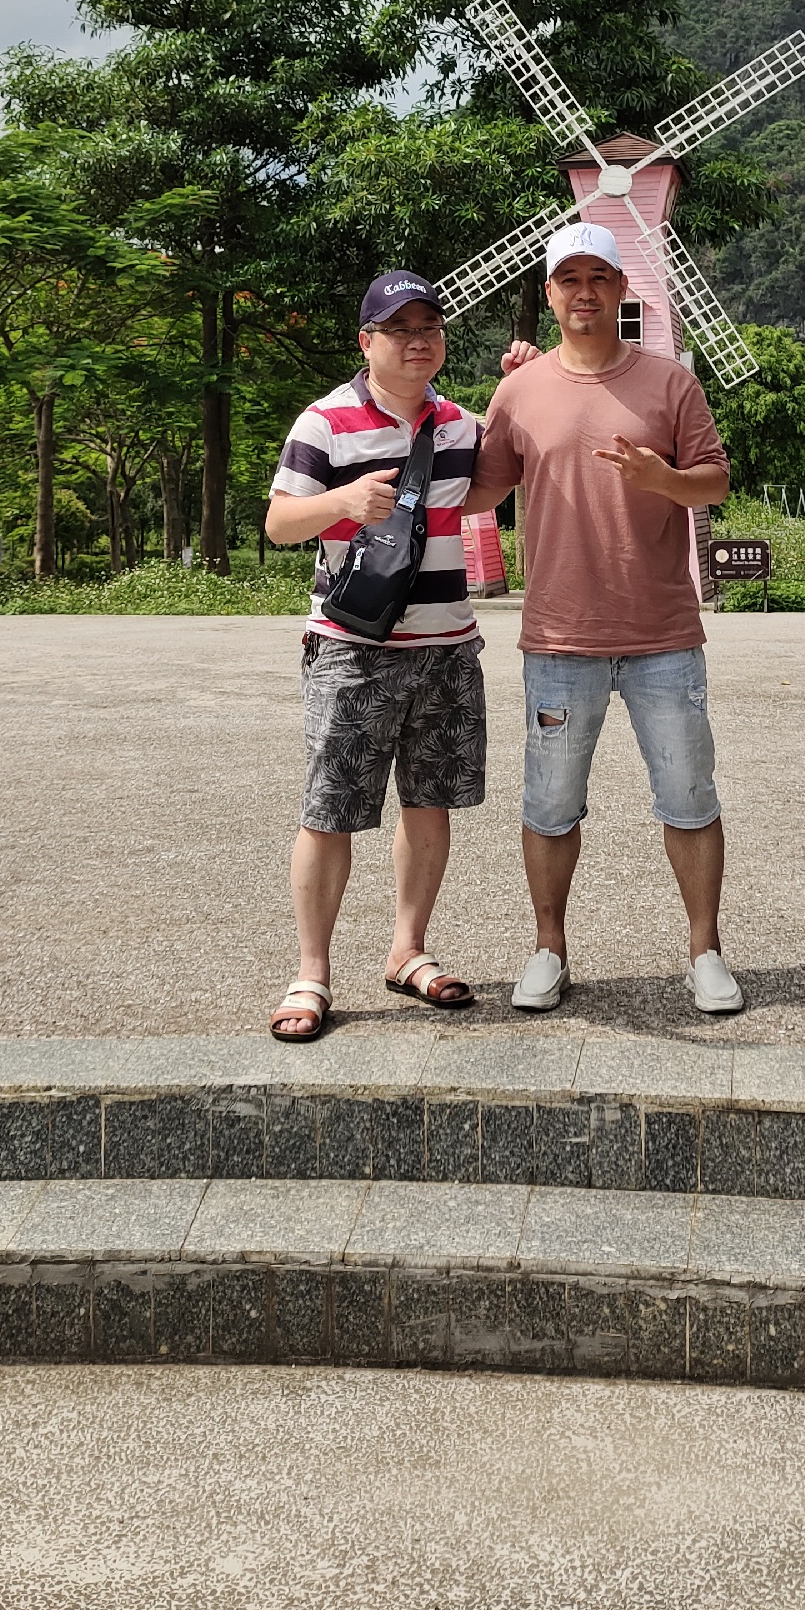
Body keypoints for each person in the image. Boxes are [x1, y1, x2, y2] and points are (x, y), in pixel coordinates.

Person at [465, 221, 744, 1015]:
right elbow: (485, 488)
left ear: (623, 289)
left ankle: (706, 952)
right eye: (568, 279)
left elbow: (714, 482)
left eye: (599, 278)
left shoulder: (670, 384)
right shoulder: (518, 391)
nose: (583, 291)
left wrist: (664, 479)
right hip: (559, 638)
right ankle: (548, 948)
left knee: (690, 797)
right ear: (549, 294)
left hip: (663, 635)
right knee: (549, 804)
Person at [261, 270, 486, 1040]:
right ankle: (311, 973)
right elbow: (279, 524)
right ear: (367, 342)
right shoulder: (325, 422)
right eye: (400, 330)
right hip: (353, 648)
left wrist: (521, 390)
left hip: (448, 646)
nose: (419, 341)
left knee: (430, 805)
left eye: (431, 328)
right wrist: (342, 504)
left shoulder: (462, 426)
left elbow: (499, 485)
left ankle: (407, 951)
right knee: (329, 812)